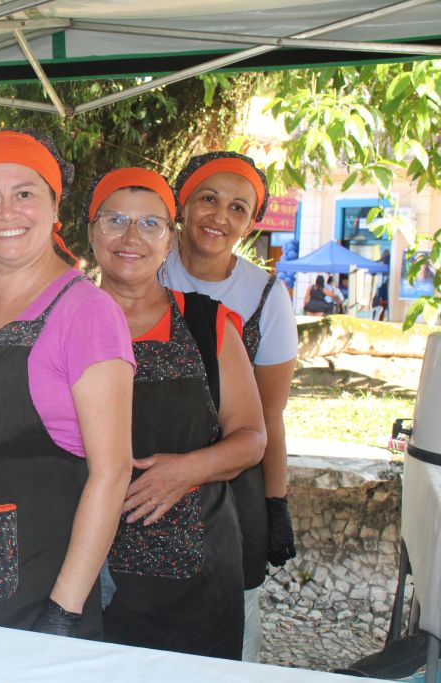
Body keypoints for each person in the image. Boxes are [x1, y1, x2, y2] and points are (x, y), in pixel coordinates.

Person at [0, 130, 134, 639]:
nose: (7, 213)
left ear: (53, 205)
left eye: (25, 194)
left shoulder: (87, 313)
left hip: (41, 588)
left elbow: (112, 473)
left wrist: (63, 611)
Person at [85, 168, 266, 659]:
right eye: (115, 219)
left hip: (197, 574)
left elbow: (251, 437)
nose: (130, 238)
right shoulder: (60, 321)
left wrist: (187, 469)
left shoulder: (208, 324)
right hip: (82, 564)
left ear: (170, 238)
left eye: (150, 224)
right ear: (91, 230)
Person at [161, 151, 298, 661]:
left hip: (231, 480)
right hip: (146, 466)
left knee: (231, 624)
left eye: (238, 208)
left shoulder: (264, 296)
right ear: (183, 202)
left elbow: (269, 415)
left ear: (251, 221)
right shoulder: (143, 265)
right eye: (209, 199)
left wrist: (275, 504)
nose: (220, 216)